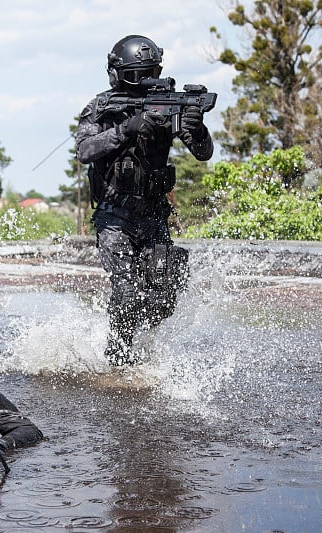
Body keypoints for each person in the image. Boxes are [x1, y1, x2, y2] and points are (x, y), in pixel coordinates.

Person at [75, 35, 212, 366]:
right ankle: (118, 361)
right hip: (114, 216)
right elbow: (84, 150)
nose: (141, 83)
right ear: (118, 74)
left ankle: (140, 344)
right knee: (125, 290)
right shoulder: (101, 107)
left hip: (153, 216)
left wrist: (197, 127)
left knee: (164, 293)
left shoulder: (168, 104)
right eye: (135, 75)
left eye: (148, 73)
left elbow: (203, 153)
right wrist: (127, 129)